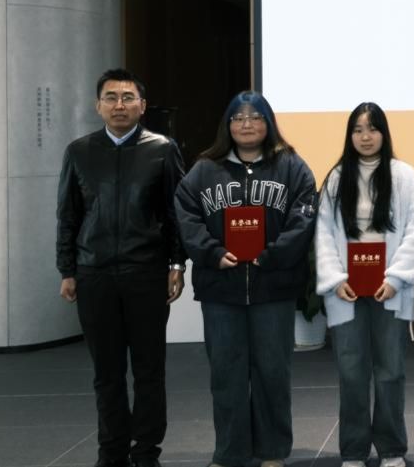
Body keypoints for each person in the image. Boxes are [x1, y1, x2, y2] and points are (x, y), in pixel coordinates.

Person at [176, 91, 317, 467]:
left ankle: (272, 451)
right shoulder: (204, 169)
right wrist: (212, 252)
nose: (247, 124)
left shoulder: (291, 166)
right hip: (221, 290)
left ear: (268, 123)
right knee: (226, 374)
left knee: (273, 372)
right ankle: (230, 452)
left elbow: (304, 217)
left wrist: (272, 255)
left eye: (255, 117)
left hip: (274, 287)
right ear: (228, 126)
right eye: (238, 118)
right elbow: (186, 216)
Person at [56, 68, 185, 467]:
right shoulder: (79, 151)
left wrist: (177, 263)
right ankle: (111, 452)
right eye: (110, 97)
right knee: (106, 373)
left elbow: (176, 212)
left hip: (146, 273)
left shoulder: (162, 149)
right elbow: (68, 215)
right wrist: (67, 269)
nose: (119, 105)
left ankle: (146, 452)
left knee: (149, 371)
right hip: (94, 274)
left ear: (142, 106)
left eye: (128, 97)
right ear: (98, 106)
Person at [315, 103, 414, 467]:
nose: (365, 137)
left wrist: (396, 278)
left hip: (390, 290)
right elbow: (324, 234)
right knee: (351, 374)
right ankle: (353, 450)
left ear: (384, 133)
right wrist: (335, 280)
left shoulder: (404, 175)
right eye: (358, 130)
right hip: (346, 292)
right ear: (350, 135)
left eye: (373, 129)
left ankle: (392, 449)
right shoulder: (336, 179)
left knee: (390, 372)